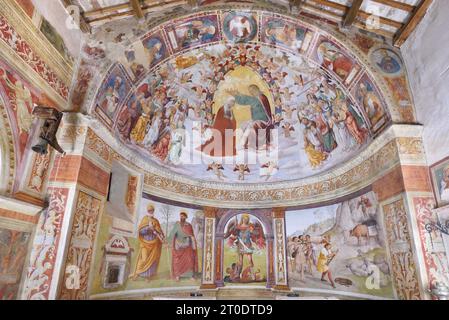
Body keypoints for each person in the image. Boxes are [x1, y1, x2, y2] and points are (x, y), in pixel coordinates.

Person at [227, 85, 274, 150]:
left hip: (264, 121)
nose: (251, 92)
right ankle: (239, 143)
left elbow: (247, 100)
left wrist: (236, 95)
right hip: (256, 120)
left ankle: (243, 144)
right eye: (250, 91)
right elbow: (248, 99)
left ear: (257, 89)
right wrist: (237, 95)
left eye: (252, 90)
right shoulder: (257, 98)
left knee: (250, 126)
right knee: (243, 125)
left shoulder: (261, 98)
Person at [130, 204, 165, 281]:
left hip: (154, 244)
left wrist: (162, 235)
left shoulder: (156, 221)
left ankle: (148, 276)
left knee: (152, 261)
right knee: (144, 259)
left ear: (153, 211)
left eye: (152, 210)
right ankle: (137, 273)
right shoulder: (144, 219)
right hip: (145, 243)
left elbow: (160, 231)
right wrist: (148, 228)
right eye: (149, 210)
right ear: (147, 211)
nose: (151, 211)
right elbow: (140, 231)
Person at [169, 212, 198, 281]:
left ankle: (190, 275)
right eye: (181, 216)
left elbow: (191, 234)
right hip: (178, 245)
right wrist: (168, 241)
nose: (181, 217)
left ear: (185, 217)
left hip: (187, 246)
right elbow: (172, 234)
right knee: (177, 261)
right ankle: (177, 275)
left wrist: (191, 239)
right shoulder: (177, 224)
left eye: (183, 216)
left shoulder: (189, 225)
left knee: (190, 260)